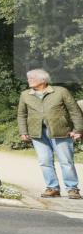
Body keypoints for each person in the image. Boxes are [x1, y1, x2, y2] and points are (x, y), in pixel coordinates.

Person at [18, 69, 83, 199]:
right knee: (44, 161)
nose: (28, 80)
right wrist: (23, 132)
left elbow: (75, 111)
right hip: (37, 133)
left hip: (61, 131)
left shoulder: (60, 91)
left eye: (32, 78)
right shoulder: (25, 95)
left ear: (43, 80)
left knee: (66, 161)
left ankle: (72, 189)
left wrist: (78, 130)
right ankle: (53, 188)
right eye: (28, 78)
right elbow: (22, 114)